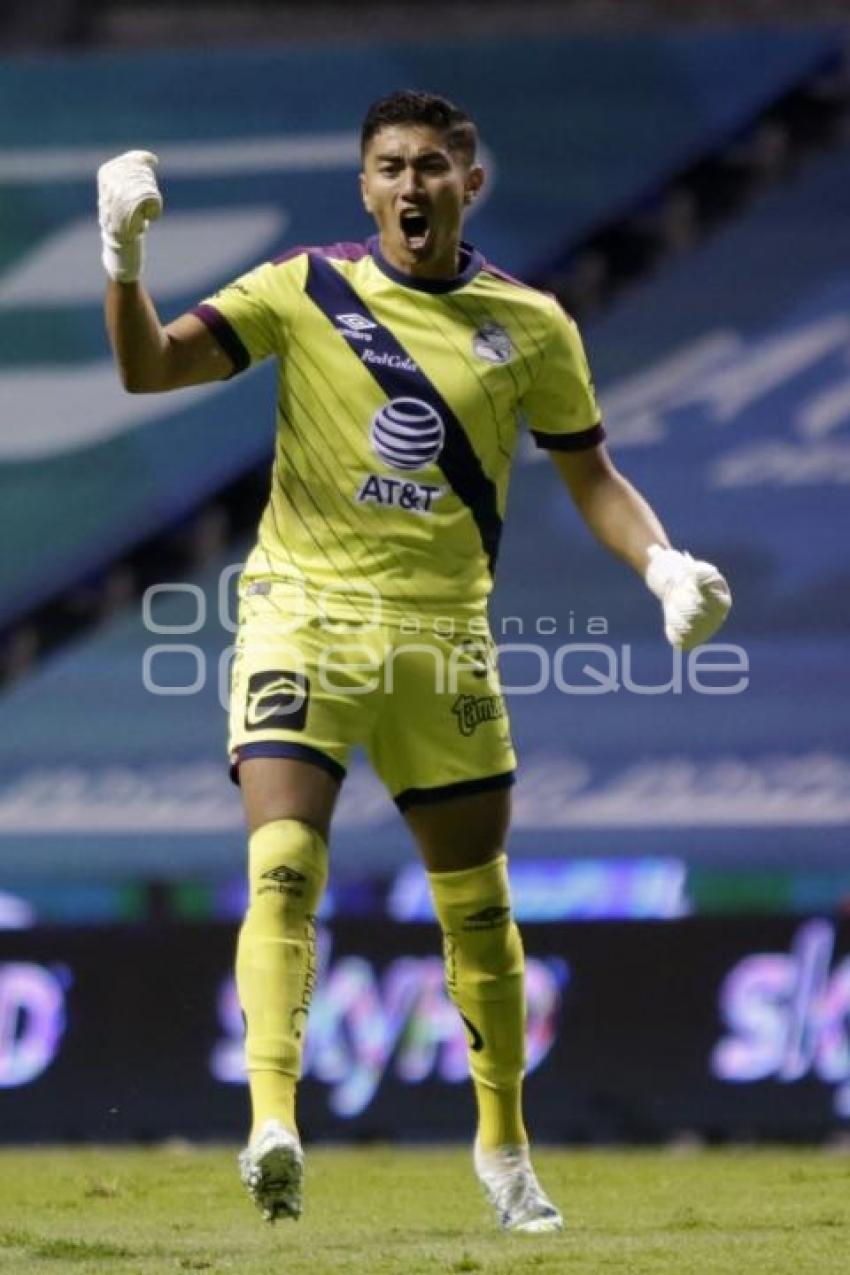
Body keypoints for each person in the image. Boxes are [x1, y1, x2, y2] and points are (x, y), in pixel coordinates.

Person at [98, 89, 731, 1233]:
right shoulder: (303, 289)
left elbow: (590, 474)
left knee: (477, 908)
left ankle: (503, 1152)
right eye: (389, 165)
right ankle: (274, 1121)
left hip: (444, 638)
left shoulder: (529, 323)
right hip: (305, 616)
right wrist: (122, 257)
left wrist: (662, 566)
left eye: (431, 166)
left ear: (467, 185)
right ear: (364, 186)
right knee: (284, 862)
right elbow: (148, 371)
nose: (410, 185)